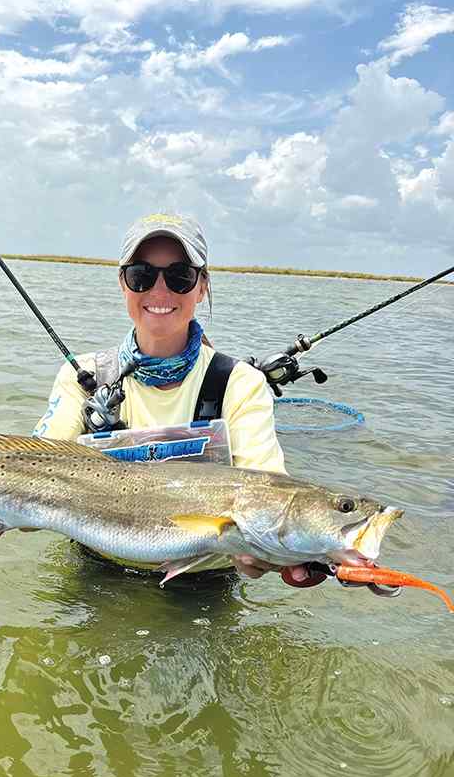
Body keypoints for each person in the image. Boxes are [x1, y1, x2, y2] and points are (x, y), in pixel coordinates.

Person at [33, 212, 311, 585]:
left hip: (203, 581)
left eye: (180, 276)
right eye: (141, 276)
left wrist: (298, 558)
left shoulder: (240, 383)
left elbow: (269, 496)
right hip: (96, 571)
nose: (159, 293)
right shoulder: (81, 375)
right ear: (122, 284)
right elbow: (31, 473)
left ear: (202, 286)